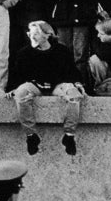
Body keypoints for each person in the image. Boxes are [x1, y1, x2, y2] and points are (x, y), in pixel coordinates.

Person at [8, 20, 85, 156]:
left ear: (47, 35)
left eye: (36, 33)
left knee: (74, 95)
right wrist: (13, 88)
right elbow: (17, 75)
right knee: (21, 94)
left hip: (57, 84)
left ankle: (69, 135)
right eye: (30, 33)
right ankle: (31, 136)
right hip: (35, 85)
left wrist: (77, 83)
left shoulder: (61, 50)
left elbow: (71, 71)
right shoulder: (24, 53)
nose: (32, 36)